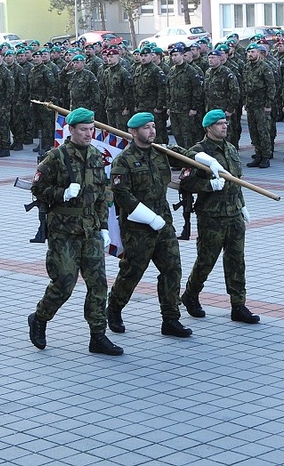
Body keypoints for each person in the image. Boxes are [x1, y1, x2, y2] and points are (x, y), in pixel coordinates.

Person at [27, 107, 123, 356]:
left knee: (98, 284)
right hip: (64, 231)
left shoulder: (96, 155)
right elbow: (37, 188)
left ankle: (97, 335)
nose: (89, 134)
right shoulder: (56, 157)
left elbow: (103, 194)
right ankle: (40, 318)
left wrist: (104, 227)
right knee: (64, 283)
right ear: (71, 130)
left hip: (90, 230)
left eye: (91, 129)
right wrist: (62, 193)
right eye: (83, 130)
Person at [106, 112, 192, 338]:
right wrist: (148, 217)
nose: (152, 131)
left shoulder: (161, 153)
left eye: (153, 126)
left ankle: (170, 318)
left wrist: (205, 160)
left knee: (172, 269)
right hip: (138, 227)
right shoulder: (123, 160)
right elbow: (122, 195)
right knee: (132, 271)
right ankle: (114, 308)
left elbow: (188, 158)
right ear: (133, 132)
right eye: (146, 128)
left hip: (163, 223)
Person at [178, 109, 260, 324]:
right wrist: (210, 185)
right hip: (211, 216)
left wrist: (242, 205)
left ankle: (238, 305)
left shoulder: (230, 148)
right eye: (219, 123)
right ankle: (191, 294)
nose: (224, 126)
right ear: (208, 127)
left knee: (236, 260)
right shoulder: (198, 152)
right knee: (206, 260)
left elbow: (235, 181)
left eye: (225, 123)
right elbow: (186, 182)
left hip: (234, 214)